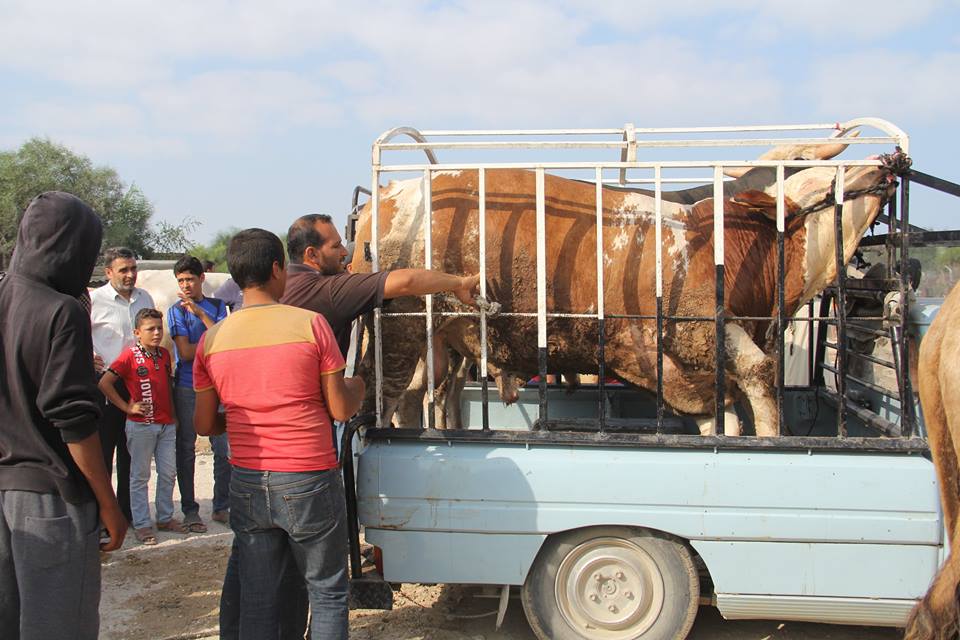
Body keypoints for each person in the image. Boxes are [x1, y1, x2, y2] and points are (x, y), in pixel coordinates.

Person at [217, 213, 481, 639]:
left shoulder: (221, 332)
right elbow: (406, 283)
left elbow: (206, 419)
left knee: (254, 579)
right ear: (301, 259)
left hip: (249, 470)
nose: (347, 253)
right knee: (325, 588)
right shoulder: (320, 304)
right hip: (304, 467)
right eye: (338, 245)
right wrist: (457, 282)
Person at [194, 228, 365, 639]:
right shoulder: (310, 325)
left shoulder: (212, 339)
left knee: (257, 598)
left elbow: (203, 425)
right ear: (276, 269)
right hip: (308, 477)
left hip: (249, 479)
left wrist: (238, 418)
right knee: (326, 592)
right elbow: (340, 407)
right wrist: (359, 385)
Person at [0, 191, 127, 639]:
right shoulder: (61, 311)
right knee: (58, 624)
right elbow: (72, 421)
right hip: (50, 499)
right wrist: (109, 503)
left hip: (4, 489)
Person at [98, 308, 184, 545]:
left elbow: (167, 384)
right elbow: (105, 383)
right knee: (140, 475)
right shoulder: (128, 356)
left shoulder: (164, 355)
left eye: (159, 328)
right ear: (137, 332)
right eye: (150, 329)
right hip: (141, 425)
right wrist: (126, 407)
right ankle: (142, 524)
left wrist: (174, 416)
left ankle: (165, 518)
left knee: (168, 472)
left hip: (165, 424)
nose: (157, 333)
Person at [90, 246, 156, 525]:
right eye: (123, 270)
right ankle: (104, 517)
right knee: (104, 453)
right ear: (108, 273)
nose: (130, 275)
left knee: (133, 452)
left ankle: (127, 514)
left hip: (137, 384)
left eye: (133, 269)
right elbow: (79, 334)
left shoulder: (145, 298)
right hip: (106, 384)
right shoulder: (94, 301)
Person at [167, 255, 229, 532]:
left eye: (190, 279)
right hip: (186, 384)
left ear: (201, 278)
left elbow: (223, 341)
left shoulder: (216, 307)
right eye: (181, 280)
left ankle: (222, 506)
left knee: (222, 448)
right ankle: (190, 509)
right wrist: (210, 338)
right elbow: (186, 352)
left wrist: (202, 316)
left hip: (216, 385)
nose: (186, 285)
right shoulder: (176, 311)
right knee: (186, 448)